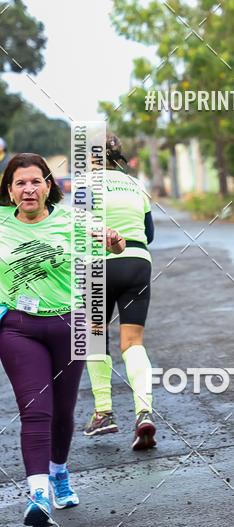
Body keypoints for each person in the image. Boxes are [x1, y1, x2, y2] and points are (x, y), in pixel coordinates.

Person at [0, 153, 125, 527]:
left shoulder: (72, 221)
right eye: (20, 183)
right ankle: (38, 495)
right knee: (35, 408)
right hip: (18, 327)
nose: (28, 189)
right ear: (9, 190)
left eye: (36, 181)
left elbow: (114, 248)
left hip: (69, 324)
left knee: (63, 411)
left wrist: (115, 240)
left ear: (49, 186)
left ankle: (58, 472)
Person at [83, 133, 156, 451]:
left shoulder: (86, 185)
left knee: (96, 336)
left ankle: (104, 413)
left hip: (98, 264)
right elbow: (149, 233)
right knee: (133, 343)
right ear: (118, 157)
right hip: (138, 262)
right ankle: (143, 412)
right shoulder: (136, 184)